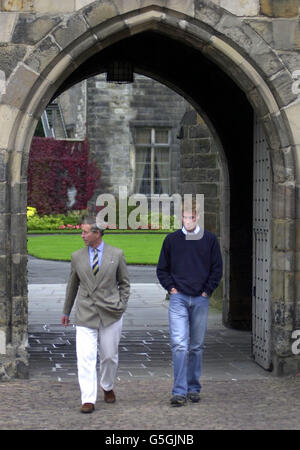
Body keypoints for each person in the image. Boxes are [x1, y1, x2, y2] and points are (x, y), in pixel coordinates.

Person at [156, 199, 223, 407]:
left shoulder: (209, 240)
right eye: (185, 217)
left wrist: (206, 292)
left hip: (200, 298)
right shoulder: (172, 240)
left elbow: (217, 268)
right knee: (179, 345)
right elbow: (162, 269)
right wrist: (172, 289)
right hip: (179, 298)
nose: (188, 221)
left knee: (196, 346)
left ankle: (194, 387)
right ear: (181, 218)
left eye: (191, 217)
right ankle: (179, 391)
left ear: (198, 217)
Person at [61, 216, 130, 413]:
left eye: (85, 232)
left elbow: (124, 283)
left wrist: (121, 305)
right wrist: (66, 310)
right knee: (85, 358)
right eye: (82, 232)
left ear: (97, 233)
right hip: (85, 313)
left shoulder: (116, 254)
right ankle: (88, 398)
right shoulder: (77, 256)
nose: (82, 235)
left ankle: (107, 385)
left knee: (109, 356)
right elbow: (72, 285)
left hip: (111, 313)